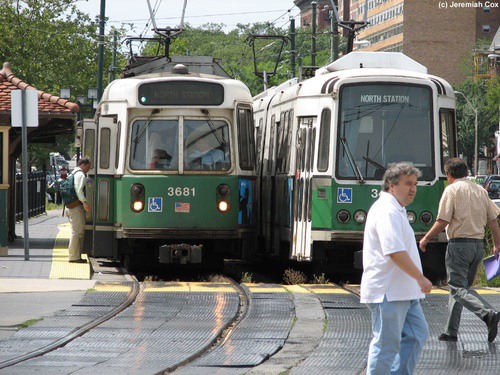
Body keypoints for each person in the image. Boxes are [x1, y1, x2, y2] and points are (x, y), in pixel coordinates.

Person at [361, 163, 432, 374]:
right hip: (388, 292)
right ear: (391, 185)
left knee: (417, 334)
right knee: (386, 346)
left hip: (404, 291)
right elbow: (394, 251)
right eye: (408, 183)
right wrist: (420, 278)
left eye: (415, 184)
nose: (413, 189)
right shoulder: (387, 212)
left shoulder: (397, 209)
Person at [419, 158, 500, 343]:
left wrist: (426, 238)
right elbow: (493, 220)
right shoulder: (480, 190)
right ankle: (450, 331)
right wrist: (497, 245)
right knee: (462, 289)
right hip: (477, 247)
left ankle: (488, 314)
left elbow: (443, 220)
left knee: (457, 288)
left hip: (459, 246)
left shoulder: (452, 190)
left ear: (449, 175)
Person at [66, 157, 91, 263]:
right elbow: (78, 189)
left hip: (71, 206)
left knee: (76, 231)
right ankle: (73, 257)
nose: (89, 169)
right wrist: (84, 202)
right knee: (76, 232)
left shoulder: (72, 173)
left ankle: (75, 255)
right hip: (76, 207)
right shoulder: (80, 175)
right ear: (83, 165)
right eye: (88, 167)